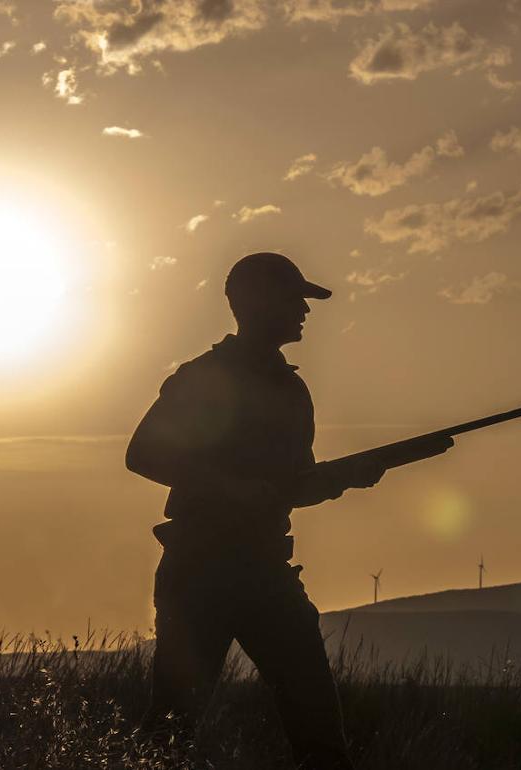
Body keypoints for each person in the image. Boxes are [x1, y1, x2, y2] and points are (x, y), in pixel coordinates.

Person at [126, 252, 439, 768]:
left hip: (266, 570)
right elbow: (143, 454)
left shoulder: (292, 389)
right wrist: (237, 490)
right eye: (294, 298)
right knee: (172, 729)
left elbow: (293, 486)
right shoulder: (204, 378)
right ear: (254, 302)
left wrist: (347, 479)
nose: (304, 311)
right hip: (200, 569)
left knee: (318, 722)